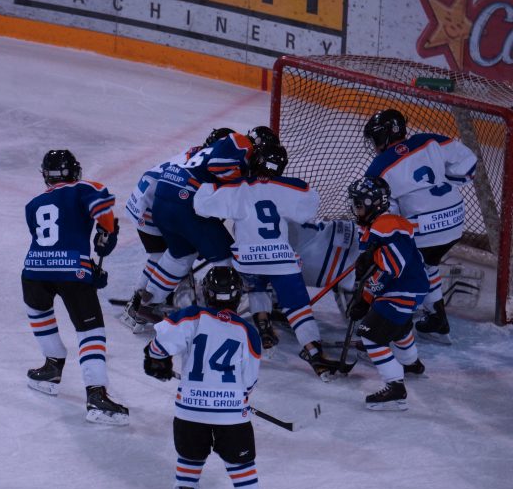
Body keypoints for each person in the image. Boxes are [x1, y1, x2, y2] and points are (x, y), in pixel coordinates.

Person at [193, 143, 343, 380]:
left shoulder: (238, 187)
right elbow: (309, 209)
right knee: (298, 307)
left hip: (247, 259)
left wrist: (212, 183)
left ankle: (263, 326)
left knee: (256, 287)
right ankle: (314, 351)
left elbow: (201, 206)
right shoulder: (289, 187)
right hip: (281, 258)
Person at [22, 149, 128, 426]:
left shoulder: (33, 203)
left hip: (33, 271)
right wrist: (107, 235)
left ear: (46, 175)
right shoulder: (85, 188)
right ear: (75, 171)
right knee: (90, 331)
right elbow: (103, 212)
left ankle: (51, 367)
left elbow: (52, 241)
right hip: (72, 270)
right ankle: (96, 394)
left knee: (40, 316)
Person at [143, 267, 264, 489]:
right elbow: (249, 380)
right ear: (238, 296)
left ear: (206, 293)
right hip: (231, 413)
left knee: (190, 456)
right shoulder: (248, 331)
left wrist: (157, 360)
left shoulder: (191, 316)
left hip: (190, 409)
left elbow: (158, 347)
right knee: (241, 463)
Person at [363, 109, 477, 340]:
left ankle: (393, 323)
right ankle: (437, 318)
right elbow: (468, 162)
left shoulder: (379, 166)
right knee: (428, 264)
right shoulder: (429, 140)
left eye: (375, 139)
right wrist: (446, 180)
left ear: (385, 136)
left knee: (395, 264)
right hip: (455, 221)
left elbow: (383, 212)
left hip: (425, 230)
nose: (374, 145)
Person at [130, 132, 256, 325]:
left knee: (181, 254)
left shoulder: (204, 150)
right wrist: (241, 181)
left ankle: (148, 304)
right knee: (228, 257)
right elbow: (218, 166)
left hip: (162, 198)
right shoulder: (240, 143)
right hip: (183, 203)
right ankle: (225, 313)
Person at [346, 176, 429, 410]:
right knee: (398, 327)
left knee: (370, 335)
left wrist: (366, 297)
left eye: (359, 203)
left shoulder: (389, 223)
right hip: (406, 287)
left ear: (373, 203)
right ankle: (412, 364)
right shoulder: (373, 227)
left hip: (403, 289)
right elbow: (378, 268)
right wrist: (365, 295)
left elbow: (392, 267)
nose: (355, 208)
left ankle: (395, 388)